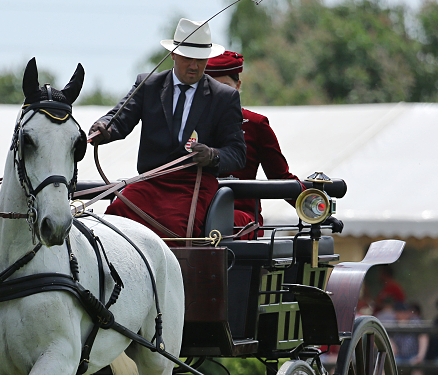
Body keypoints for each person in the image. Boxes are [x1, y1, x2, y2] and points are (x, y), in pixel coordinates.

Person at [90, 18, 246, 240]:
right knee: (115, 218)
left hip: (194, 185)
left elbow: (238, 153)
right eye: (187, 58)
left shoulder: (224, 97)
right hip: (149, 181)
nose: (194, 66)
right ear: (173, 54)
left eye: (200, 60)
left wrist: (212, 155)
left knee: (173, 230)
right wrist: (103, 127)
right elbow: (118, 118)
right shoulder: (148, 85)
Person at [203, 50, 300, 228]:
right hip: (195, 209)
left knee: (217, 223)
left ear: (238, 86)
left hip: (240, 217)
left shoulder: (255, 124)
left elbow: (280, 176)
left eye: (225, 87)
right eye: (212, 88)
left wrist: (311, 205)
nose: (218, 95)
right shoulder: (188, 123)